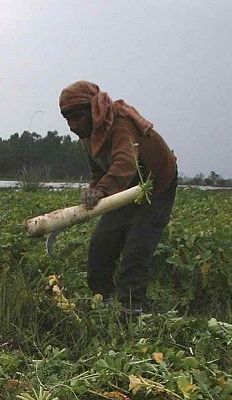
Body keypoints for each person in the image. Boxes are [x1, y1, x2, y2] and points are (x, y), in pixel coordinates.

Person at [58, 80, 178, 315]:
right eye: (67, 119)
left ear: (93, 110)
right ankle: (103, 301)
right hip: (122, 188)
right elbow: (99, 171)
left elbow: (124, 164)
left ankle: (130, 309)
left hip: (155, 185)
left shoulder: (120, 124)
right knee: (102, 244)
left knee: (136, 249)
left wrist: (101, 191)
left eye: (76, 117)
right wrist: (96, 188)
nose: (72, 126)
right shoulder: (89, 135)